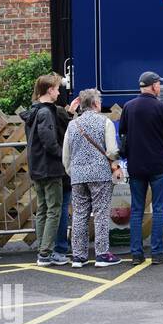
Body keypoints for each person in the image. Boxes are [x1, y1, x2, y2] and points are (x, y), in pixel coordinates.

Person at [119, 71, 163, 265]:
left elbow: (123, 134)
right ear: (153, 86)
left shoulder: (128, 107)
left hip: (136, 164)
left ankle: (136, 253)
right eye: (159, 84)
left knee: (137, 209)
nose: (160, 87)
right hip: (158, 164)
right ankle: (157, 252)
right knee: (159, 208)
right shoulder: (162, 108)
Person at [22, 74, 78, 266]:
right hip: (50, 167)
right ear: (49, 90)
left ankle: (42, 250)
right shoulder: (46, 113)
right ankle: (45, 253)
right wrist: (64, 156)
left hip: (38, 166)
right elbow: (48, 141)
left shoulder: (35, 110)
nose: (59, 92)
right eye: (56, 89)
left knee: (44, 209)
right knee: (54, 210)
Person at [62, 89, 122, 267]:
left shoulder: (72, 125)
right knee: (101, 214)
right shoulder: (105, 122)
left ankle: (79, 256)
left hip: (78, 175)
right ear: (96, 104)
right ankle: (102, 254)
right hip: (100, 174)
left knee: (79, 215)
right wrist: (116, 164)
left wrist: (71, 171)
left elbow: (66, 154)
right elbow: (111, 151)